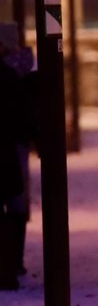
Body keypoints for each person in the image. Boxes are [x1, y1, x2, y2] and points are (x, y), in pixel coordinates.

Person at [0, 31, 32, 291]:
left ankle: (8, 268)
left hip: (7, 150)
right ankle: (10, 267)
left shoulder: (10, 76)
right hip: (8, 151)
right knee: (15, 208)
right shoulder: (12, 76)